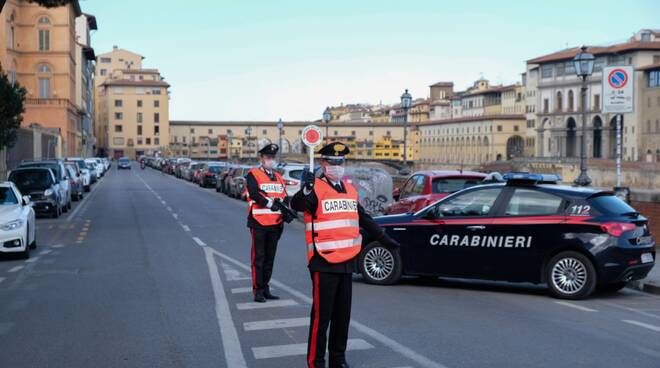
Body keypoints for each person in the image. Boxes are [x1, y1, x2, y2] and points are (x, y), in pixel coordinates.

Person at [291, 142, 400, 368]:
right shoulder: (316, 189)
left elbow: (363, 217)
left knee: (342, 316)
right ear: (323, 163)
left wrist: (384, 238)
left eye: (340, 162)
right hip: (323, 260)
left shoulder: (350, 190)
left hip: (347, 261)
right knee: (322, 318)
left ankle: (338, 359)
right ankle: (316, 362)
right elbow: (297, 204)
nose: (337, 166)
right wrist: (305, 189)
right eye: (332, 162)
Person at [246, 143, 289, 303]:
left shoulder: (278, 177)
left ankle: (265, 288)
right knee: (259, 257)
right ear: (262, 159)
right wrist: (271, 204)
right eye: (268, 157)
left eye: (273, 158)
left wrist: (285, 209)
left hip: (276, 223)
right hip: (258, 222)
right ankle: (257, 290)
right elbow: (254, 193)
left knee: (270, 258)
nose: (271, 160)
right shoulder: (253, 174)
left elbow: (283, 196)